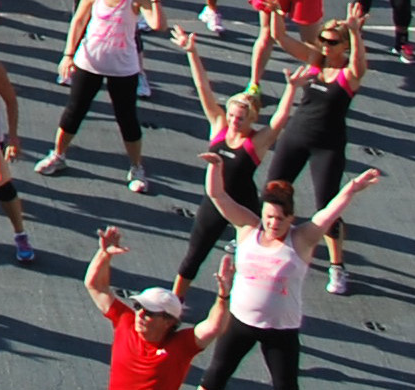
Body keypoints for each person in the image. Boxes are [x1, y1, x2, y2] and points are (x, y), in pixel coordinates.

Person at [196, 165, 385, 390]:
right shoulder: (248, 227)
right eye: (269, 217)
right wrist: (216, 166)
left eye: (280, 218)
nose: (273, 224)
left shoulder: (301, 238)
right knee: (216, 374)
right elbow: (218, 195)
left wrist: (352, 188)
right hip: (240, 321)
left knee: (285, 385)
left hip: (281, 329)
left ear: (290, 217)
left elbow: (328, 214)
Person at [84, 227, 216, 390]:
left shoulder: (181, 345)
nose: (140, 314)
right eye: (138, 306)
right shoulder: (126, 322)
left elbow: (213, 326)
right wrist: (104, 254)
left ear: (168, 321)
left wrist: (224, 297)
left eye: (149, 312)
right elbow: (95, 286)